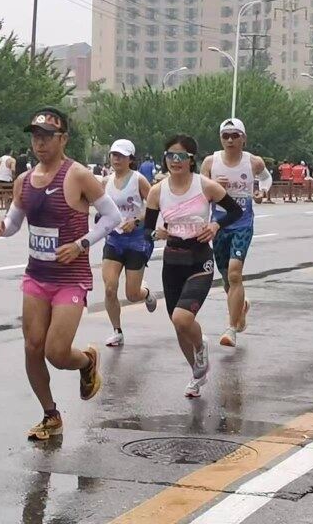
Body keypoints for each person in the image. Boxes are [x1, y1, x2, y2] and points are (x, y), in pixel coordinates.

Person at [0, 108, 122, 441]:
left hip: (70, 276)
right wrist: (1, 228)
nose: (40, 143)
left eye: (47, 136)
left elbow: (112, 217)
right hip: (36, 275)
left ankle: (86, 362)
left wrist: (81, 244)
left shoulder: (77, 175)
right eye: (36, 136)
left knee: (56, 351)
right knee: (33, 347)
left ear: (63, 138)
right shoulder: (24, 181)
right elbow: (14, 223)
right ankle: (50, 415)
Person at [144, 134, 243, 398]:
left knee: (182, 318)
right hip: (173, 261)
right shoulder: (157, 191)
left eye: (181, 157)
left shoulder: (205, 186)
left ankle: (201, 347)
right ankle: (197, 374)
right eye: (170, 156)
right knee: (178, 326)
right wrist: (158, 234)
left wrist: (215, 225)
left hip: (200, 259)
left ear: (191, 160)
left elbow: (235, 211)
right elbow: (146, 232)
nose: (175, 161)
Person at [200, 119, 270, 349]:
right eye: (226, 136)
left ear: (243, 138)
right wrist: (211, 184)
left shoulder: (253, 162)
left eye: (235, 135)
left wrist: (261, 191)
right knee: (226, 276)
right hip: (218, 224)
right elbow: (199, 191)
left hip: (242, 222)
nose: (230, 140)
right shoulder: (211, 162)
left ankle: (231, 329)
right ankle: (241, 307)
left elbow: (265, 178)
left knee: (234, 274)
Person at [101, 139, 157, 347]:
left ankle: (146, 293)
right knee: (109, 288)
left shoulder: (138, 180)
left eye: (121, 156)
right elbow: (94, 203)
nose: (116, 159)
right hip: (114, 240)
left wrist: (136, 221)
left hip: (136, 241)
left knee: (132, 295)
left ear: (130, 159)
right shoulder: (104, 181)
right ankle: (117, 331)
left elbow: (153, 205)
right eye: (114, 155)